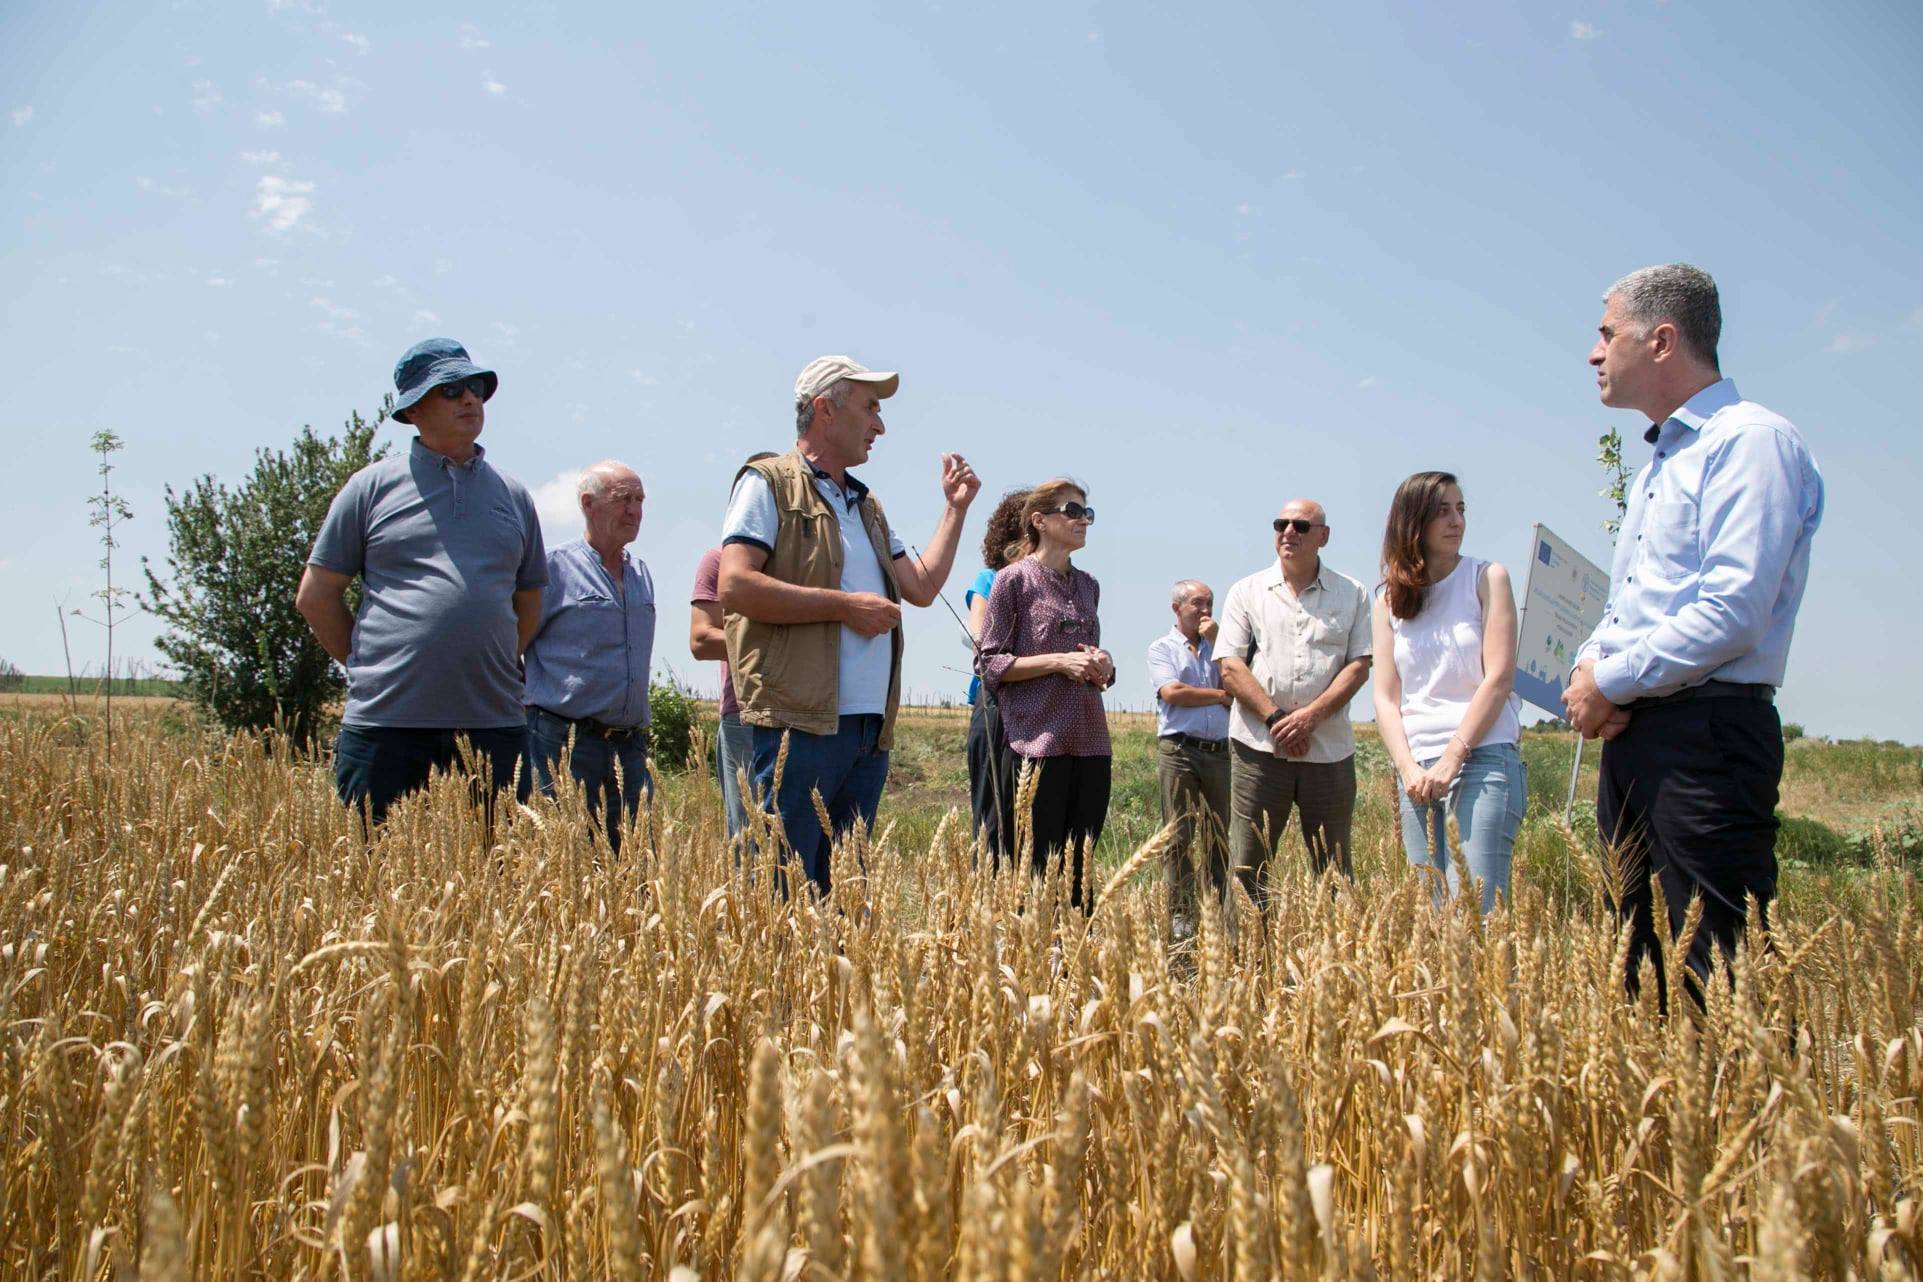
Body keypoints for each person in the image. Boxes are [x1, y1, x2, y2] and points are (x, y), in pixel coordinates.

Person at [1562, 263, 1824, 1003]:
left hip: (1704, 742)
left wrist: (1609, 682)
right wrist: (1589, 669)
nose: (1593, 352)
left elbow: (1732, 610)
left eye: (1606, 332)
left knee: (1718, 979)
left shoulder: (1750, 442)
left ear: (1661, 340)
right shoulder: (1662, 463)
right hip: (1636, 735)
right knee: (1635, 970)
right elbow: (1629, 606)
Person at [719, 356, 980, 896]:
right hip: (800, 723)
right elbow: (736, 585)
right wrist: (843, 607)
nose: (879, 426)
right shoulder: (767, 483)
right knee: (784, 888)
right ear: (825, 410)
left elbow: (920, 587)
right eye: (870, 408)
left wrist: (954, 510)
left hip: (868, 731)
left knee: (847, 893)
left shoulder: (866, 505)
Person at [297, 338, 545, 825]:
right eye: (451, 390)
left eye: (475, 388)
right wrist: (374, 666)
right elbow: (316, 596)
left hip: (493, 722)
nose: (469, 398)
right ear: (412, 410)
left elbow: (531, 598)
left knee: (496, 867)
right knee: (372, 864)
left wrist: (487, 658)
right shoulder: (370, 487)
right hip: (385, 723)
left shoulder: (513, 495)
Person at [1371, 472, 1524, 912]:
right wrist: (1407, 768)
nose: (1456, 521)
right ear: (1412, 522)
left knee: (1476, 915)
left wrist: (1453, 758)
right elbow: (1385, 698)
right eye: (1442, 512)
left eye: (1460, 509)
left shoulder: (1487, 578)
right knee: (1431, 917)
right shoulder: (1388, 602)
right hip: (1416, 772)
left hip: (1482, 759)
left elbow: (1499, 677)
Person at [1215, 499, 1373, 898]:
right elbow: (1230, 666)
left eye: (1300, 526)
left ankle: (1337, 940)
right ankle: (1246, 942)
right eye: (1280, 524)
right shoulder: (1246, 591)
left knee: (1335, 870)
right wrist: (1276, 721)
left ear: (1323, 537)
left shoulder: (1352, 593)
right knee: (1247, 867)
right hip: (1259, 749)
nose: (1288, 532)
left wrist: (1309, 718)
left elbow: (1359, 666)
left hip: (1329, 751)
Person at [978, 479, 1115, 911]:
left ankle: (1075, 950)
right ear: (1039, 520)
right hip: (1035, 743)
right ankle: (1033, 949)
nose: (1083, 520)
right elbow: (990, 663)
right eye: (1072, 511)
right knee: (1035, 871)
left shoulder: (1090, 585)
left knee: (1079, 875)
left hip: (1091, 741)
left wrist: (1103, 663)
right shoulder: (1012, 581)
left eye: (1087, 513)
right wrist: (1058, 662)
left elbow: (1086, 653)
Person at [523, 461, 656, 851]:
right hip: (565, 744)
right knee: (563, 858)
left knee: (636, 864)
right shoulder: (553, 569)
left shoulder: (641, 573)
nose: (635, 510)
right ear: (587, 504)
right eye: (623, 499)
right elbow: (512, 645)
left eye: (640, 500)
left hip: (630, 749)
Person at [691, 453, 779, 841]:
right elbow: (701, 639)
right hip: (745, 714)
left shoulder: (807, 567)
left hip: (808, 712)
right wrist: (781, 639)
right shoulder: (718, 561)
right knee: (749, 838)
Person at [1146, 580, 1233, 937]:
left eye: (1209, 603)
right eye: (1197, 603)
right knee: (1178, 835)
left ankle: (1219, 910)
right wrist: (1220, 696)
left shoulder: (1221, 648)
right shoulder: (1162, 648)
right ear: (1177, 608)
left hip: (1220, 751)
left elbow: (1240, 680)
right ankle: (1181, 915)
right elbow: (1173, 692)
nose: (1205, 610)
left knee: (1220, 835)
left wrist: (1221, 642)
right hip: (1180, 751)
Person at [962, 488, 1030, 855]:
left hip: (1044, 710)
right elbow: (980, 638)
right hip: (998, 706)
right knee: (994, 824)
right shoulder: (989, 579)